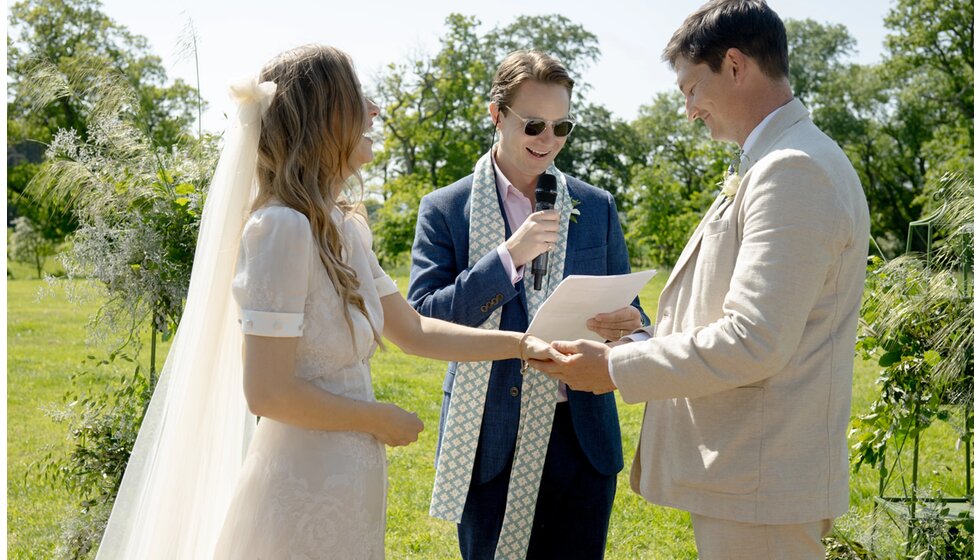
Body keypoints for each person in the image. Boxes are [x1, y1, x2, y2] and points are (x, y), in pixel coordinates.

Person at [96, 44, 564, 560]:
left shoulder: (343, 226)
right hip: (298, 490)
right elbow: (268, 392)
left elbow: (415, 331)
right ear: (323, 117)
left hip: (349, 489)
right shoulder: (280, 227)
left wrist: (523, 345)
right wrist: (375, 418)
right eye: (358, 97)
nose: (375, 110)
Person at [531, 2, 870, 558]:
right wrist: (639, 336)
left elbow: (753, 340)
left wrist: (614, 369)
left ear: (735, 66)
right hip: (747, 479)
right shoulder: (772, 162)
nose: (688, 110)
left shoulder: (792, 171)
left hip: (761, 480)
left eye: (691, 89)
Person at [408, 50, 646, 559]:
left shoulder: (595, 205)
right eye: (535, 124)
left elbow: (634, 311)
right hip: (489, 437)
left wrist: (632, 326)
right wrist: (508, 257)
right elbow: (424, 317)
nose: (549, 141)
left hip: (580, 439)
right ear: (496, 114)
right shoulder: (445, 210)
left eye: (563, 128)